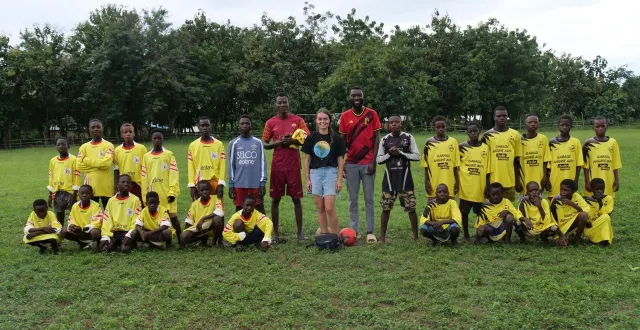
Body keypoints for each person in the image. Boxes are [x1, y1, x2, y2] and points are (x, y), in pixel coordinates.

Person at [262, 92, 310, 242]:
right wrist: (278, 143)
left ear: (288, 104)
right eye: (280, 103)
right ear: (276, 105)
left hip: (294, 166)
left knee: (296, 199)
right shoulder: (270, 122)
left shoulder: (298, 120)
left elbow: (306, 139)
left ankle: (300, 233)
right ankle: (276, 234)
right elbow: (264, 143)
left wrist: (293, 141)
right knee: (275, 199)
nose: (282, 105)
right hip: (277, 167)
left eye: (285, 102)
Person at [339, 87, 382, 243]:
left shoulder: (372, 114)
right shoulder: (344, 117)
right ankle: (354, 231)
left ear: (363, 97)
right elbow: (343, 143)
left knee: (369, 199)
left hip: (368, 164)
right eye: (353, 95)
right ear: (349, 98)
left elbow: (377, 139)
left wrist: (373, 161)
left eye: (359, 95)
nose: (356, 97)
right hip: (351, 164)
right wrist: (342, 163)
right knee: (353, 200)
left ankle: (370, 231)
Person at [376, 114, 420, 242]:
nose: (394, 124)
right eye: (391, 122)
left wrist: (401, 153)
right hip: (389, 181)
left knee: (411, 208)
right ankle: (382, 238)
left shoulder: (408, 137)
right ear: (388, 125)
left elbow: (417, 156)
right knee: (385, 208)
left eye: (397, 122)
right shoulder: (384, 140)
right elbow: (379, 159)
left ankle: (416, 238)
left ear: (401, 124)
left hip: (405, 180)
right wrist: (390, 153)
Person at [302, 108, 346, 235]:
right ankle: (325, 233)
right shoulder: (311, 138)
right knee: (320, 207)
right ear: (316, 120)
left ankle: (336, 236)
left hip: (330, 173)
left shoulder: (336, 139)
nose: (322, 121)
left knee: (329, 208)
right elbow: (307, 160)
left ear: (329, 120)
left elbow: (340, 160)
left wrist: (339, 179)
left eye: (325, 119)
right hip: (315, 174)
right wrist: (307, 179)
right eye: (320, 119)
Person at [141, 131, 182, 242]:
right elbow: (144, 177)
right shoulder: (146, 156)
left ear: (163, 140)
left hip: (167, 193)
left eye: (159, 138)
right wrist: (144, 195)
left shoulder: (169, 154)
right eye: (155, 138)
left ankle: (181, 239)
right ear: (152, 140)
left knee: (173, 217)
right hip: (153, 194)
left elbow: (174, 174)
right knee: (154, 217)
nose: (157, 140)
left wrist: (172, 192)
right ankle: (159, 238)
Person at [458, 121, 491, 242]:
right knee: (464, 212)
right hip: (465, 186)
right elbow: (456, 166)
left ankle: (479, 235)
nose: (473, 133)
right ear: (467, 133)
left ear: (479, 131)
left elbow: (488, 169)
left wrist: (487, 186)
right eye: (470, 131)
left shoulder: (485, 148)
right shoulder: (461, 147)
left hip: (480, 186)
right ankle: (466, 235)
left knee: (480, 212)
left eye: (475, 131)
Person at [228, 116, 267, 214]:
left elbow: (262, 164)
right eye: (242, 123)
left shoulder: (258, 143)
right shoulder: (233, 143)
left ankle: (262, 228)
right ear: (238, 126)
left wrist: (262, 183)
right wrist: (231, 185)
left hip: (255, 183)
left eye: (247, 123)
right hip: (239, 184)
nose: (244, 125)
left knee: (259, 208)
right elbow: (231, 166)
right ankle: (241, 229)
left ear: (251, 126)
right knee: (239, 209)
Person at [481, 106, 522, 201]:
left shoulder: (515, 134)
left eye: (504, 116)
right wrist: (486, 183)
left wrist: (517, 181)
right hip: (493, 181)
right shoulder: (487, 136)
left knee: (508, 211)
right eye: (499, 116)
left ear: (507, 117)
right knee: (492, 210)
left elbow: (516, 161)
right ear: (494, 117)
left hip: (509, 181)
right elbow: (484, 162)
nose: (501, 118)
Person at [187, 116, 227, 206]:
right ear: (199, 127)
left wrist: (221, 184)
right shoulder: (193, 145)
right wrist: (192, 185)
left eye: (207, 125)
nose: (205, 128)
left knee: (218, 212)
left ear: (210, 126)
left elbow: (222, 166)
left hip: (215, 183)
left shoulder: (219, 144)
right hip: (199, 184)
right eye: (202, 125)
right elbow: (191, 167)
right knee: (200, 211)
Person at [76, 119, 114, 208]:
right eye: (93, 127)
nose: (95, 129)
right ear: (89, 130)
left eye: (98, 127)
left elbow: (106, 164)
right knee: (92, 214)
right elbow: (78, 165)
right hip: (89, 187)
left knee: (108, 214)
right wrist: (98, 166)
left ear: (102, 129)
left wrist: (86, 160)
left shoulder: (108, 145)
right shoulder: (84, 147)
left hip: (106, 187)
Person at [99, 175, 142, 253]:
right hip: (114, 233)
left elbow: (137, 219)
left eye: (128, 182)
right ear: (117, 185)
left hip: (127, 232)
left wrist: (128, 234)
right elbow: (107, 220)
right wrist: (106, 236)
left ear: (131, 185)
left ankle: (130, 242)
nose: (126, 184)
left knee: (124, 249)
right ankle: (115, 242)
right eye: (123, 182)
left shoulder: (135, 200)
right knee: (105, 249)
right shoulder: (111, 201)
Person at [422, 115, 459, 201]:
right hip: (433, 182)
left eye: (443, 126)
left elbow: (455, 165)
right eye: (438, 127)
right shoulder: (429, 142)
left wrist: (457, 182)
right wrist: (426, 183)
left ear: (446, 126)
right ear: (434, 127)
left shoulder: (453, 142)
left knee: (449, 209)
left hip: (449, 183)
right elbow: (426, 166)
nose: (441, 129)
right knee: (432, 209)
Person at [583, 116, 622, 198]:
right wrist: (587, 181)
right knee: (592, 207)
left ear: (606, 126)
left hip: (608, 181)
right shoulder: (588, 143)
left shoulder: (613, 142)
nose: (600, 128)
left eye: (602, 126)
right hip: (593, 182)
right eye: (597, 126)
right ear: (593, 128)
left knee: (607, 206)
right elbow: (585, 166)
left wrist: (617, 180)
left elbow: (616, 163)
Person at [547, 115, 583, 199]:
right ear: (558, 126)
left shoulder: (576, 142)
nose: (565, 127)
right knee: (554, 203)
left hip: (570, 180)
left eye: (567, 125)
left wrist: (576, 180)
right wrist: (547, 180)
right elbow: (547, 164)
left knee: (569, 202)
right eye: (562, 125)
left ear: (571, 126)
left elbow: (579, 163)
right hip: (555, 180)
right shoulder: (552, 142)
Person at [181, 180, 225, 248]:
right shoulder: (195, 204)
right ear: (198, 192)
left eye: (206, 189)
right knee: (183, 237)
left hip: (210, 226)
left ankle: (214, 242)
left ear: (210, 190)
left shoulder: (216, 199)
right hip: (199, 227)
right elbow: (189, 221)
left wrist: (203, 218)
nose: (204, 192)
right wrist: (185, 234)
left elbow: (220, 212)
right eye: (202, 190)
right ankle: (202, 238)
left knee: (218, 218)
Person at [48, 136, 80, 227]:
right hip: (58, 192)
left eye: (63, 144)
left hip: (70, 193)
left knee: (75, 215)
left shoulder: (74, 159)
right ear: (56, 147)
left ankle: (77, 233)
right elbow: (51, 178)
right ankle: (60, 234)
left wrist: (75, 194)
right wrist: (50, 194)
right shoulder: (53, 161)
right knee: (59, 215)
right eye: (58, 144)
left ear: (68, 146)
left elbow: (76, 177)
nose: (61, 146)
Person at [113, 123, 147, 204]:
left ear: (134, 133)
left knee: (139, 205)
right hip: (124, 185)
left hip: (138, 184)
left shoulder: (141, 148)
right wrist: (115, 187)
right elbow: (116, 170)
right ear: (122, 134)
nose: (128, 134)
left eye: (130, 131)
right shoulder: (117, 150)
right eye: (125, 132)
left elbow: (146, 168)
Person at [550, 179, 590, 246]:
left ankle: (576, 241)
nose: (562, 192)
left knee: (583, 215)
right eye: (561, 189)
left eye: (566, 190)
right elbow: (552, 221)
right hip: (559, 228)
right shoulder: (556, 199)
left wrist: (572, 204)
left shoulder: (576, 196)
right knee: (562, 245)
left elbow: (586, 210)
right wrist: (561, 235)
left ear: (573, 191)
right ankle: (559, 238)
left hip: (571, 225)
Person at [519, 115, 551, 197]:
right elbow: (516, 162)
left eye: (535, 122)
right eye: (530, 122)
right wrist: (517, 180)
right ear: (525, 124)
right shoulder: (519, 140)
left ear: (538, 124)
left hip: (539, 179)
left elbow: (546, 160)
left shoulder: (543, 139)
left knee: (538, 204)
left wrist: (544, 177)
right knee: (524, 205)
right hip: (524, 179)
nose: (533, 124)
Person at [62, 185, 102, 249]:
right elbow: (71, 218)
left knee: (95, 232)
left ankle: (97, 242)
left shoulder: (96, 205)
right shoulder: (75, 206)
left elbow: (98, 220)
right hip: (79, 231)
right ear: (78, 194)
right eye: (82, 193)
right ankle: (81, 242)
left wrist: (84, 228)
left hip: (90, 230)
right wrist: (72, 226)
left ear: (92, 194)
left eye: (87, 193)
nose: (84, 195)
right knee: (64, 231)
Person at [583, 178, 614, 245]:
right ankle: (596, 239)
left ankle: (604, 240)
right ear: (591, 189)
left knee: (606, 217)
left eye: (602, 189)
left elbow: (608, 213)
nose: (599, 191)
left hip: (602, 226)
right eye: (597, 189)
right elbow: (586, 218)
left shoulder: (609, 199)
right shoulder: (588, 201)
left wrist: (600, 202)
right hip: (591, 228)